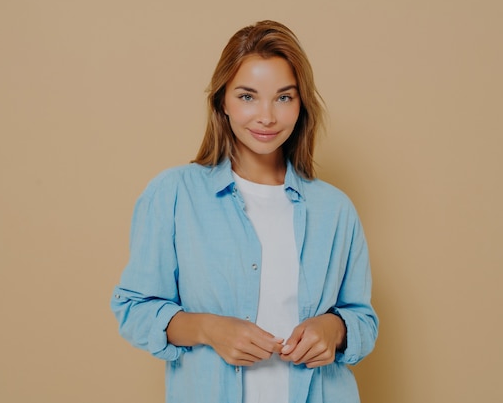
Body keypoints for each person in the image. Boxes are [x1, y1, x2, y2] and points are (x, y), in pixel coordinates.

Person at [111, 20, 378, 403]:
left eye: (284, 97)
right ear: (223, 101)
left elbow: (363, 320)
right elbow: (133, 309)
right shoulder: (174, 195)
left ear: (302, 104)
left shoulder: (334, 210)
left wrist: (334, 329)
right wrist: (209, 329)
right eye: (248, 96)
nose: (266, 117)